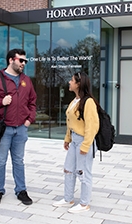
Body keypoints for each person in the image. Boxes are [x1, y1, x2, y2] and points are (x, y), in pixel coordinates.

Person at [0, 49, 37, 207]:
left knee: (19, 161)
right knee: (0, 162)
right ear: (11, 60)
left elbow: (32, 102)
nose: (24, 63)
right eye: (21, 60)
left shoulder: (26, 80)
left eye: (25, 61)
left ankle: (21, 190)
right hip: (3, 128)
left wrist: (29, 120)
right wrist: (0, 102)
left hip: (20, 129)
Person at [52, 72, 99, 213]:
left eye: (71, 80)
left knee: (83, 172)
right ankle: (68, 199)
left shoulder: (88, 102)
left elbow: (92, 126)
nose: (69, 82)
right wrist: (67, 138)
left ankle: (84, 204)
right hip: (74, 140)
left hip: (84, 141)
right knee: (68, 170)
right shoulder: (75, 101)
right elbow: (70, 122)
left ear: (78, 84)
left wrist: (86, 145)